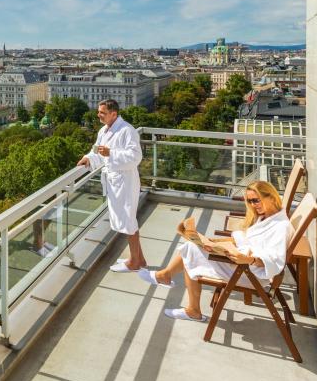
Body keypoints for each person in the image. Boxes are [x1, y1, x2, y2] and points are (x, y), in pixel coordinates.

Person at [140, 181, 293, 321]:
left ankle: (187, 302)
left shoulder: (280, 227)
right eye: (249, 201)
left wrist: (249, 260)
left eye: (256, 200)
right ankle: (166, 278)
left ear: (271, 197)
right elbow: (249, 242)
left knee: (191, 252)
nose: (253, 205)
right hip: (242, 264)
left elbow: (274, 261)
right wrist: (214, 243)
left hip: (250, 274)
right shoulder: (267, 217)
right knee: (193, 247)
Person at [77, 99, 146, 272]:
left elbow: (136, 157)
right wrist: (88, 158)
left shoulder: (127, 130)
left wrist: (111, 153)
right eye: (99, 112)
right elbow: (97, 151)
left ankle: (134, 262)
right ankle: (140, 259)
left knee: (128, 222)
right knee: (128, 220)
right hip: (115, 182)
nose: (98, 115)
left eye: (102, 112)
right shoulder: (104, 130)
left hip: (125, 182)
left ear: (114, 114)